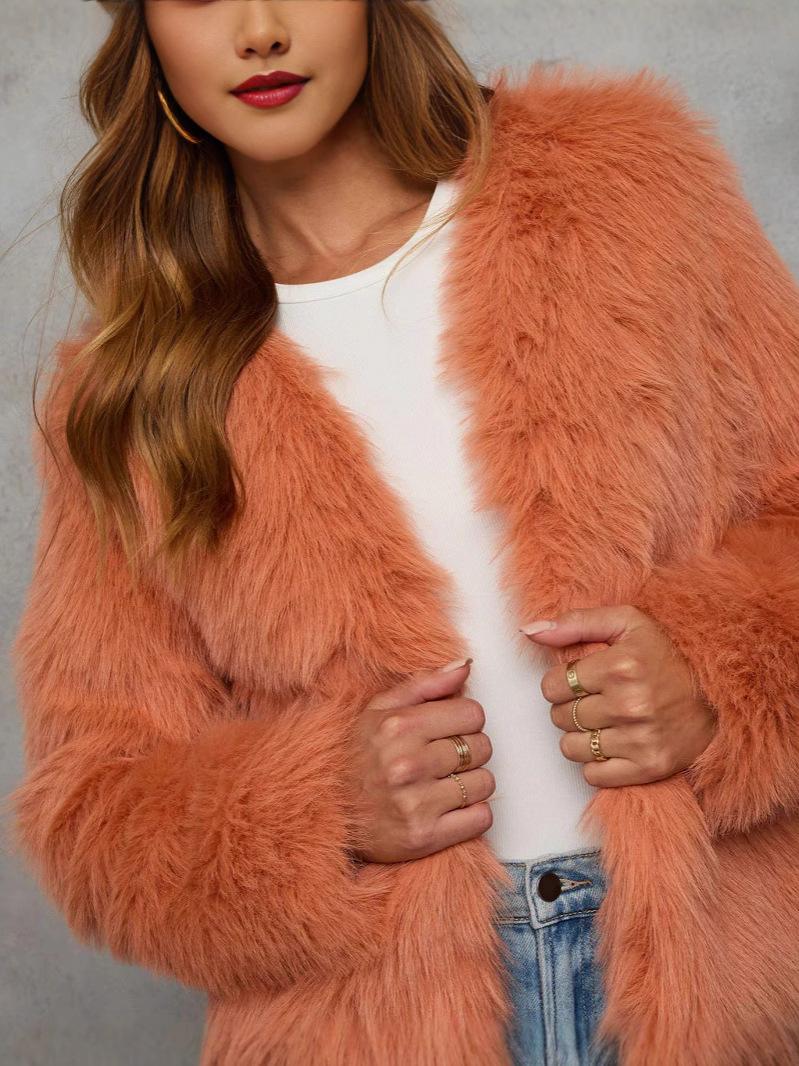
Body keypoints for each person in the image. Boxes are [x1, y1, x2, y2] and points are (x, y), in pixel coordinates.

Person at [5, 2, 799, 1065]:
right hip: (370, 1022)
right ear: (141, 27)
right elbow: (91, 801)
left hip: (708, 967)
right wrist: (316, 809)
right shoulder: (131, 391)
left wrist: (722, 677)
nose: (260, 30)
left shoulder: (626, 189)